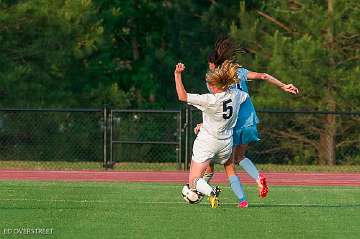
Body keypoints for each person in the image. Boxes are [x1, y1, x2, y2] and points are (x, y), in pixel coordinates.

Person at [202, 37, 299, 199]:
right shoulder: (239, 72)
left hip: (231, 122)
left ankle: (240, 199)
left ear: (212, 64)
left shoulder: (213, 80)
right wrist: (283, 85)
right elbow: (263, 76)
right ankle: (258, 178)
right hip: (249, 119)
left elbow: (215, 104)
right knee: (241, 156)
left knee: (228, 163)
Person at [174, 60, 249, 208]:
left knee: (193, 181)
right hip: (226, 143)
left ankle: (210, 192)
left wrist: (177, 75)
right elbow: (245, 98)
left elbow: (182, 96)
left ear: (214, 86)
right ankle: (208, 190)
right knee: (209, 167)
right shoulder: (236, 94)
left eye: (209, 84)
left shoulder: (209, 99)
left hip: (208, 142)